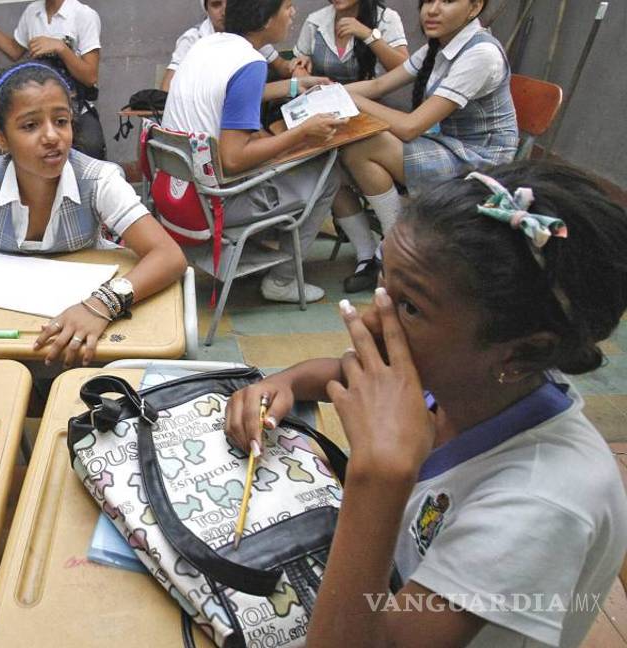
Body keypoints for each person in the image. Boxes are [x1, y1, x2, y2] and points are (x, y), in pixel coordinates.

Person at [225, 161, 627, 647]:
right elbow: (338, 373)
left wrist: (377, 479)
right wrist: (284, 382)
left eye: (410, 307)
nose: (372, 323)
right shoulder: (473, 379)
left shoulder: (538, 508)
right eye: (384, 287)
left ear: (524, 352)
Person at [0, 63, 186, 366]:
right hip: (12, 320)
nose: (51, 136)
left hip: (86, 322)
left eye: (61, 121)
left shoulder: (98, 180)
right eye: (30, 126)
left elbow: (169, 256)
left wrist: (102, 304)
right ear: (0, 137)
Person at [162, 0, 343, 304]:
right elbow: (233, 160)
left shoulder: (205, 46)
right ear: (265, 19)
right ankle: (282, 280)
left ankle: (257, 253)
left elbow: (230, 95)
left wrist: (295, 86)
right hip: (212, 205)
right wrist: (303, 131)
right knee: (328, 174)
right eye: (287, 6)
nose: (293, 12)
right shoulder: (250, 62)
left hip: (174, 195)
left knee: (272, 147)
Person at [339, 0, 516, 246]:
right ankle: (370, 251)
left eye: (448, 1)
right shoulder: (438, 46)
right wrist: (327, 91)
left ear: (475, 7)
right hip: (450, 144)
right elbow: (379, 85)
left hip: (482, 161)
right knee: (347, 146)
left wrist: (350, 99)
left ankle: (394, 240)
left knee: (365, 144)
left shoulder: (481, 54)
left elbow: (410, 127)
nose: (432, 10)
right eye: (428, 1)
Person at [293, 0, 409, 293]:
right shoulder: (316, 21)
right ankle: (366, 254)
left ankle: (392, 247)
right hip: (328, 118)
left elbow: (404, 68)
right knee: (325, 171)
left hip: (372, 115)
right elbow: (298, 69)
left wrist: (367, 34)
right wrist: (300, 71)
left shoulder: (386, 19)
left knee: (351, 156)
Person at [0, 0, 108, 160]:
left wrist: (61, 48)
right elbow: (14, 50)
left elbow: (90, 77)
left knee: (91, 149)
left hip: (77, 109)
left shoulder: (83, 15)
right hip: (40, 111)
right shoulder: (32, 12)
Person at [162, 0, 306, 93]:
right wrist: (293, 86)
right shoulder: (195, 41)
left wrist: (297, 66)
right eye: (216, 4)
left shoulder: (252, 35)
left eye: (230, 3)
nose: (225, 11)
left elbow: (281, 67)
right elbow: (167, 89)